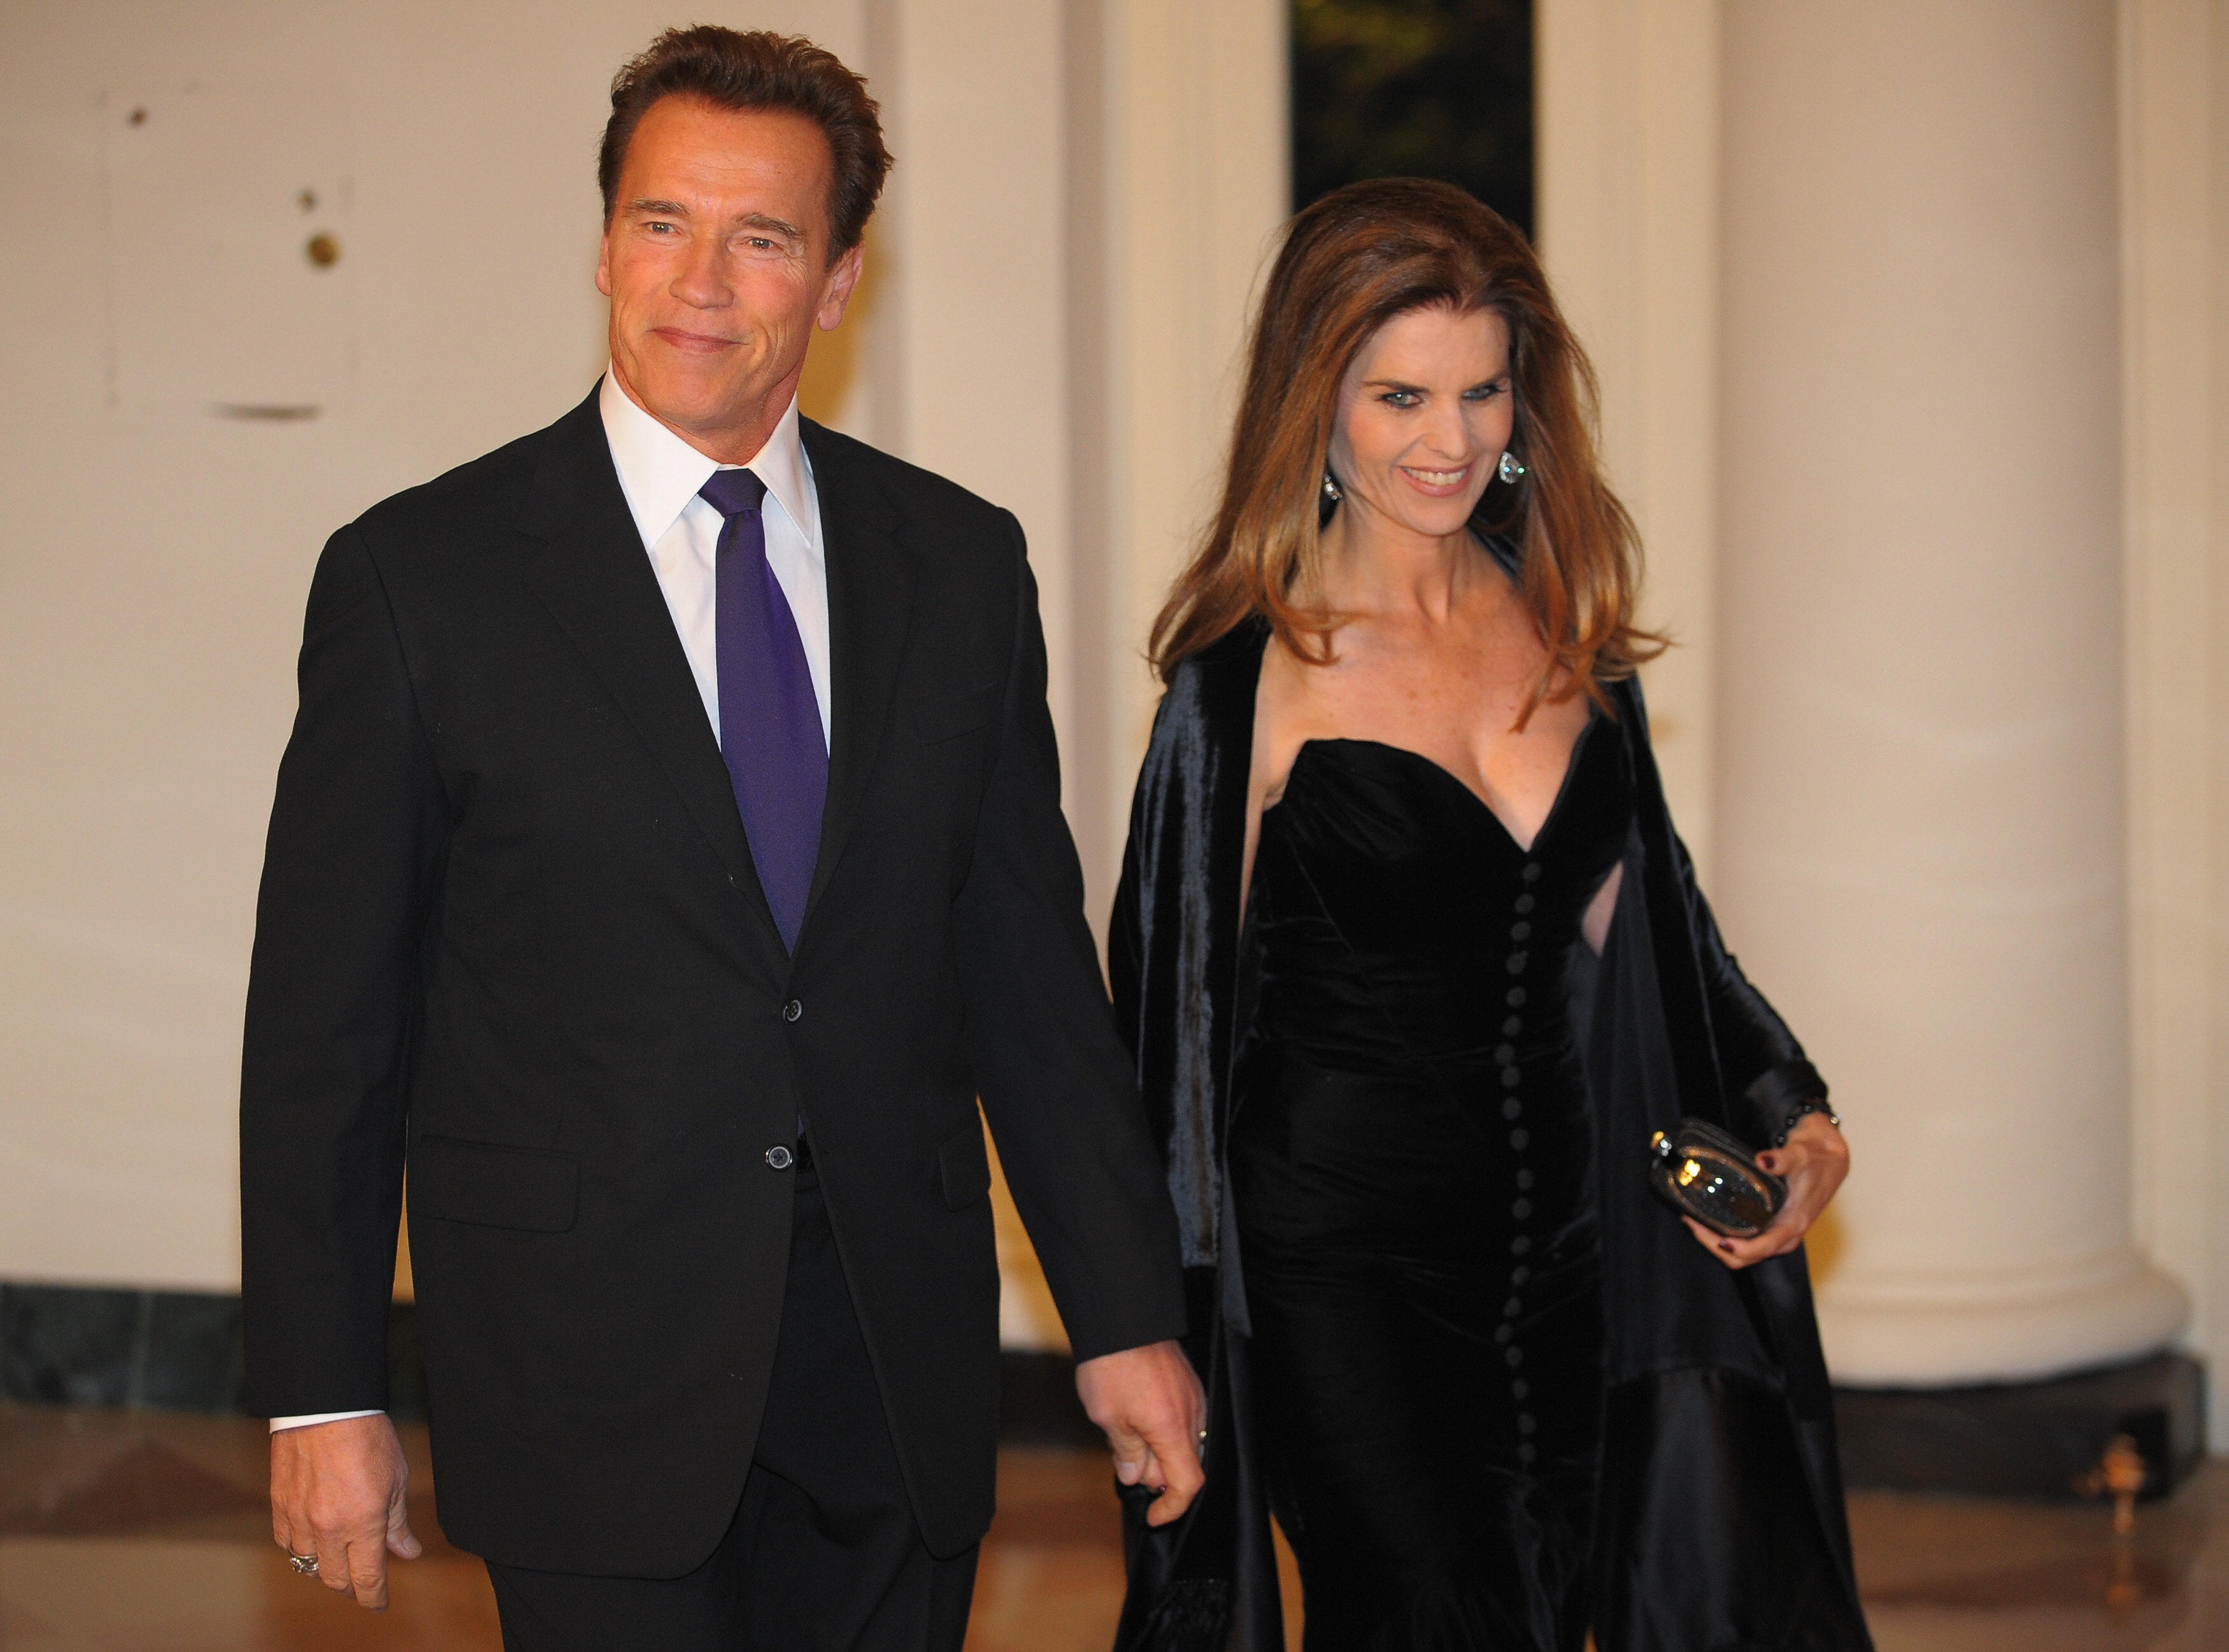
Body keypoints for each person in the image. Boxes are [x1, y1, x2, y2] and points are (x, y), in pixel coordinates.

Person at [239, 26, 1203, 1652]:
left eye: (763, 237)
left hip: (891, 1373)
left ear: (836, 282)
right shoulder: (423, 579)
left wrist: (1122, 1312)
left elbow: (1029, 979)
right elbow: (327, 1024)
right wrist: (317, 1395)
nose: (701, 278)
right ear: (605, 240)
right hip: (580, 1375)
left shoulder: (959, 566)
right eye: (663, 221)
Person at [1108, 179, 1871, 1652]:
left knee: (1554, 1602)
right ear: (1313, 402)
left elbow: (1658, 938)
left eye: (1482, 391)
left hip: (1574, 1254)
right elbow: (1157, 1029)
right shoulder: (1241, 680)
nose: (1450, 441)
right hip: (1342, 1267)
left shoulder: (1571, 633)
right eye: (1399, 395)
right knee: (1431, 1610)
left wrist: (1795, 1107)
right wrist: (1144, 1325)